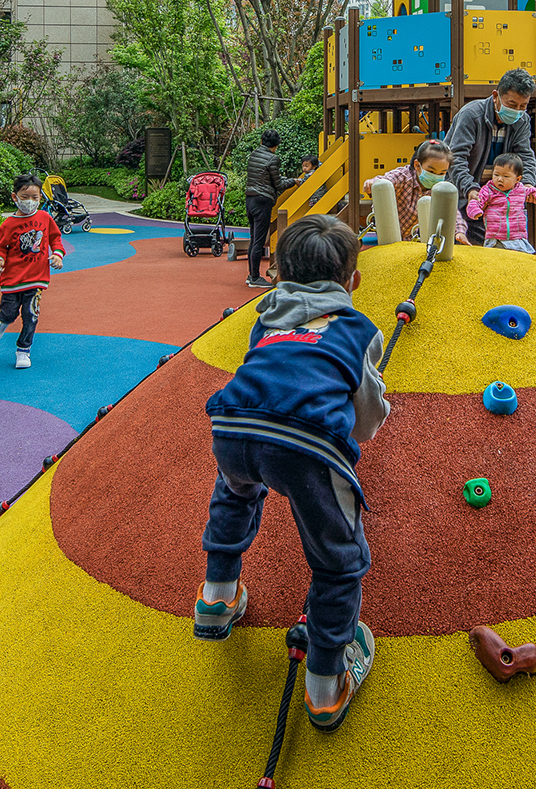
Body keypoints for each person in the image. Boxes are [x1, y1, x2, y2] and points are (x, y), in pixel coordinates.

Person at [195, 214, 386, 732]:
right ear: (353, 282)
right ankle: (326, 684)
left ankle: (217, 598)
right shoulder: (359, 330)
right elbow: (366, 416)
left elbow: (266, 372)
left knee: (235, 494)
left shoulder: (266, 317)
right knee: (338, 561)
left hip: (232, 427)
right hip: (307, 447)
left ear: (278, 274)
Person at [448, 70, 536, 244]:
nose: (517, 111)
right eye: (511, 104)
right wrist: (470, 189)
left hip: (495, 194)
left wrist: (526, 184)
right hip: (463, 191)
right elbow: (456, 157)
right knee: (461, 242)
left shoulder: (522, 121)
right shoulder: (471, 115)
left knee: (496, 243)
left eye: (523, 106)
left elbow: (525, 154)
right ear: (495, 96)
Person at [0, 173, 66, 369]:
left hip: (36, 279)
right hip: (13, 280)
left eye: (35, 198)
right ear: (15, 197)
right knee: (9, 312)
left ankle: (23, 350)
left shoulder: (45, 218)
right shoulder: (8, 225)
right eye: (25, 197)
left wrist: (57, 254)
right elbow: (0, 249)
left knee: (31, 315)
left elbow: (56, 239)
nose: (30, 202)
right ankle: (3, 320)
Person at [464, 152, 536, 254]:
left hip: (517, 237)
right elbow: (477, 201)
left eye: (506, 176)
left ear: (517, 179)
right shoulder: (488, 190)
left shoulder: (521, 190)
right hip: (496, 239)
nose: (500, 179)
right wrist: (475, 211)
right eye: (496, 174)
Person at [362, 139, 453, 243]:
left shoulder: (439, 188)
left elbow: (452, 211)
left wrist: (459, 232)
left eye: (442, 173)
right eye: (431, 171)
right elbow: (387, 180)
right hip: (388, 232)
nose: (435, 176)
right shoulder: (403, 176)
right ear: (417, 165)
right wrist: (373, 182)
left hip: (413, 236)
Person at [244, 129, 299, 290]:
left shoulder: (253, 155)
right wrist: (294, 181)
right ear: (275, 146)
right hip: (263, 201)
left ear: (261, 141)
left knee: (254, 238)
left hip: (250, 199)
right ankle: (255, 278)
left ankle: (251, 275)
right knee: (259, 241)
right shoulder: (273, 159)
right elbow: (279, 184)